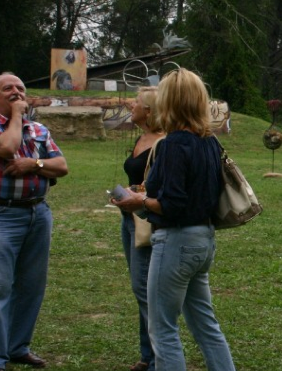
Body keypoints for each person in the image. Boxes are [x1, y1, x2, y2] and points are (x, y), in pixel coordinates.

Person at [114, 68, 236, 371]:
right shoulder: (209, 142)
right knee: (205, 325)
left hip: (176, 242)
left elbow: (173, 204)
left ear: (169, 101)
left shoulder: (172, 145)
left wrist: (137, 200)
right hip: (203, 240)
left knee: (163, 329)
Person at [0, 72, 69, 371]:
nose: (16, 92)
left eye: (20, 88)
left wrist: (34, 164)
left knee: (31, 286)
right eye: (7, 88)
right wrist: (16, 117)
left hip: (37, 214)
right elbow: (7, 148)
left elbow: (61, 166)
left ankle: (17, 347)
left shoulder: (38, 129)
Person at [121, 87, 164, 371]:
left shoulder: (162, 143)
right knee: (141, 289)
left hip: (147, 220)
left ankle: (160, 356)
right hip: (129, 219)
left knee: (145, 288)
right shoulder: (141, 137)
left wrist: (138, 197)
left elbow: (161, 186)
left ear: (148, 111)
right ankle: (146, 356)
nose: (131, 104)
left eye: (137, 102)